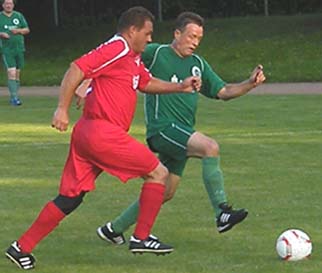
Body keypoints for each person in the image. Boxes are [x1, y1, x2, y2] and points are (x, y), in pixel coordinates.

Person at [5, 7, 201, 270]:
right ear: (133, 31)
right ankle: (141, 237)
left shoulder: (131, 56)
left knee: (70, 198)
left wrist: (180, 86)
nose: (150, 39)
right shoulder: (118, 47)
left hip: (88, 134)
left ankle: (21, 248)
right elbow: (77, 67)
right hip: (103, 133)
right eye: (147, 33)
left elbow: (144, 83)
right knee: (158, 173)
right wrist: (61, 108)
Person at [95, 11, 266, 245]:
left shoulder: (198, 64)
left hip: (182, 133)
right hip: (163, 129)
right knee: (210, 147)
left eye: (199, 38)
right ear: (177, 33)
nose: (195, 42)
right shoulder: (157, 52)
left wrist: (250, 83)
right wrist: (88, 79)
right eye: (191, 36)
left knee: (164, 192)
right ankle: (222, 212)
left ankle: (113, 229)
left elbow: (223, 91)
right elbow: (119, 53)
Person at [0, 0, 30, 106]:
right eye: (6, 3)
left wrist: (18, 31)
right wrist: (1, 34)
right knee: (11, 73)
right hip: (7, 50)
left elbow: (27, 29)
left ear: (13, 5)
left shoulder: (18, 16)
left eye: (10, 4)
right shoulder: (0, 17)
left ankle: (15, 95)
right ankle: (14, 98)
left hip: (19, 49)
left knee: (17, 75)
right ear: (3, 5)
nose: (8, 5)